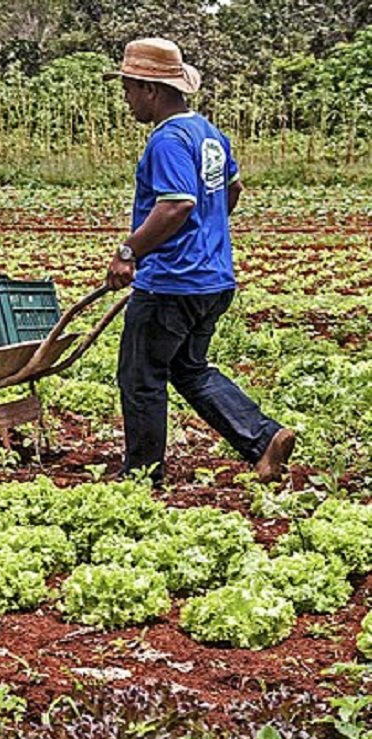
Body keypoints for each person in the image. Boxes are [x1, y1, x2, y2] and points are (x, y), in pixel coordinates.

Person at [102, 37, 295, 484]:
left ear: (151, 89)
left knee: (140, 376)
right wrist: (205, 235)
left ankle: (141, 475)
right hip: (213, 279)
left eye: (129, 89)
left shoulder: (167, 140)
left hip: (172, 282)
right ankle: (263, 438)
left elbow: (176, 204)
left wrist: (130, 251)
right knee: (188, 368)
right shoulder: (208, 135)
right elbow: (232, 190)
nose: (127, 99)